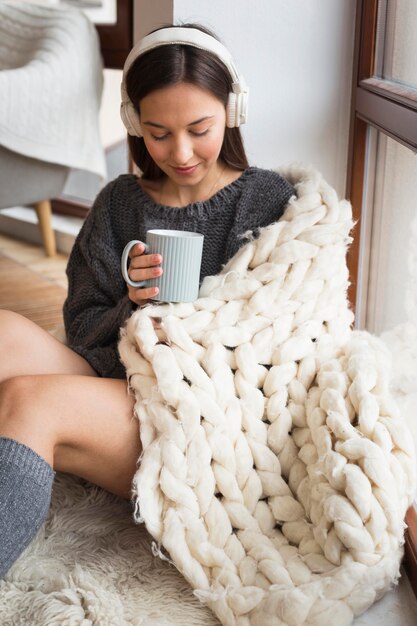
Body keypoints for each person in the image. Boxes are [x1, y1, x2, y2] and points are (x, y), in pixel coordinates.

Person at [0, 23, 295, 578]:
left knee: (30, 399)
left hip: (198, 425)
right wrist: (132, 306)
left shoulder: (267, 202)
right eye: (158, 133)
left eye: (199, 128)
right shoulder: (117, 204)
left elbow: (278, 352)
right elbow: (83, 332)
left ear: (233, 111)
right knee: (4, 333)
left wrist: (179, 331)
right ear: (134, 124)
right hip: (118, 388)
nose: (180, 153)